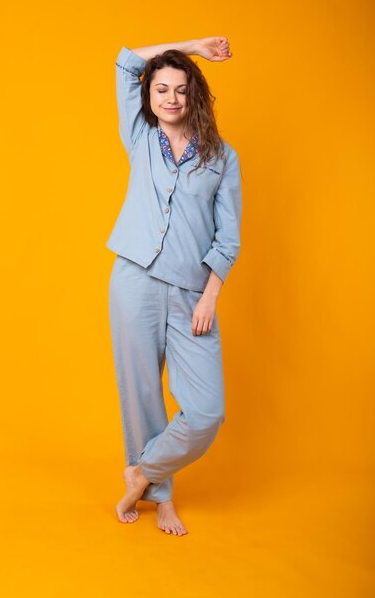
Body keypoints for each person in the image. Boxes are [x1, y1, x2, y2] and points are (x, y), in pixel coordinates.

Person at [106, 37, 242, 536]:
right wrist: (194, 47)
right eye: (161, 88)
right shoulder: (139, 136)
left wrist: (210, 296)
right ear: (150, 97)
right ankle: (160, 498)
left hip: (191, 293)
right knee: (142, 394)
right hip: (134, 281)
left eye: (181, 90)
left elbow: (228, 237)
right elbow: (126, 62)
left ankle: (142, 473)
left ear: (194, 97)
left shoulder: (221, 158)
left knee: (206, 410)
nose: (170, 98)